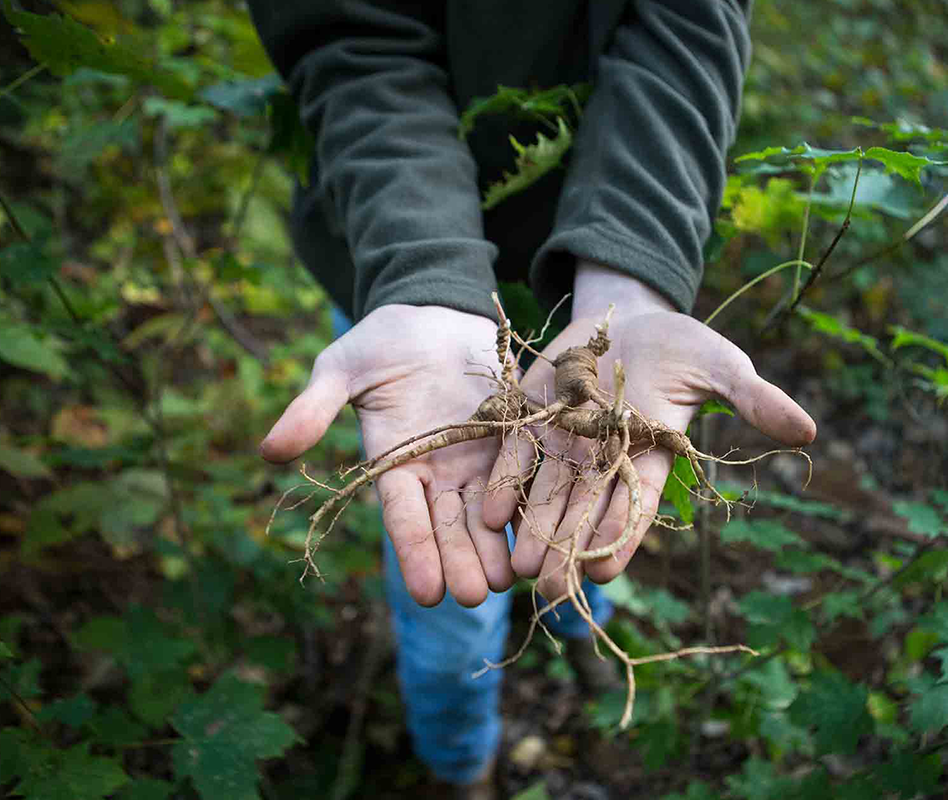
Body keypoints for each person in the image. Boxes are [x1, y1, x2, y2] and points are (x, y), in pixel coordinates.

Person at [247, 2, 816, 797]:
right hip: (402, 288)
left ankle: (578, 627)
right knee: (452, 604)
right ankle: (460, 767)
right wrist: (426, 275)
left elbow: (688, 25)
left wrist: (632, 278)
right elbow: (353, 39)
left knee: (585, 518)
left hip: (601, 277)